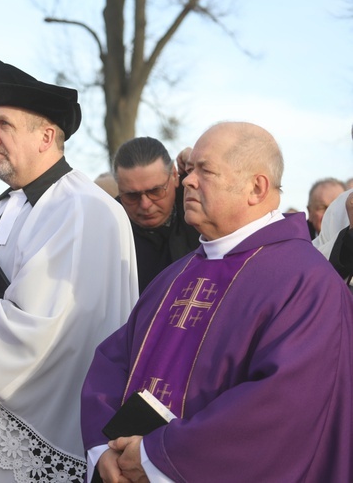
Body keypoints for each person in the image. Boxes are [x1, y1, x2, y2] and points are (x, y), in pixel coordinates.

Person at [81, 122, 353, 483]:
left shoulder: (307, 283)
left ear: (256, 187)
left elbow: (281, 408)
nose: (189, 181)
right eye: (190, 169)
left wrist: (155, 456)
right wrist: (103, 448)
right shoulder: (177, 275)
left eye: (204, 170)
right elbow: (114, 359)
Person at [0, 60, 138, 482]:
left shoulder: (85, 211)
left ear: (46, 136)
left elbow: (43, 331)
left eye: (3, 125)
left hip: (24, 434)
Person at [113, 137, 200, 293]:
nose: (145, 204)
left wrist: (201, 164)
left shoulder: (201, 207)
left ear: (174, 175)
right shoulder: (108, 230)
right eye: (132, 196)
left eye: (155, 191)